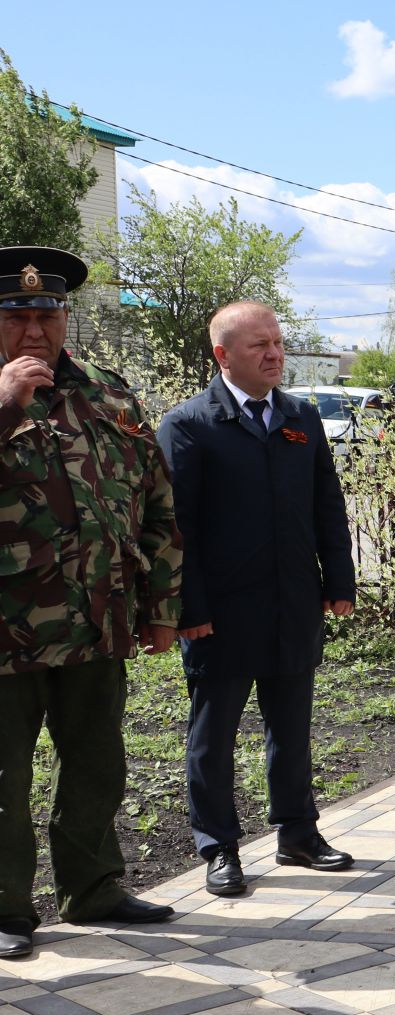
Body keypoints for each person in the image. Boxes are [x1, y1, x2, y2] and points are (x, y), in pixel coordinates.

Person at [0, 246, 180, 957]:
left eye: (46, 315)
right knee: (3, 777)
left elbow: (158, 503)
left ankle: (94, 886)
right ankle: (6, 909)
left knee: (98, 762)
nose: (34, 332)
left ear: (66, 317)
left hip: (97, 619)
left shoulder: (107, 392)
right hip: (6, 632)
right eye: (17, 318)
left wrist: (161, 606)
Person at [157, 302, 358, 897]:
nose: (274, 355)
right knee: (213, 736)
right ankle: (218, 847)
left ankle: (298, 832)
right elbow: (177, 527)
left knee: (291, 727)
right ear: (222, 356)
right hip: (220, 614)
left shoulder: (300, 417)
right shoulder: (191, 423)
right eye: (258, 346)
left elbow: (328, 503)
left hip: (291, 601)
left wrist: (339, 582)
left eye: (278, 343)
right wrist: (189, 608)